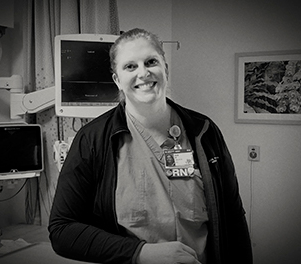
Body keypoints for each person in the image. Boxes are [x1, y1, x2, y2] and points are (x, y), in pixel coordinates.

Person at [48, 28, 253, 264]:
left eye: (151, 62)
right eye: (130, 66)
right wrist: (139, 253)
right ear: (117, 80)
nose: (143, 73)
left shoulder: (204, 132)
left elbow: (233, 216)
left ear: (165, 68)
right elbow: (62, 230)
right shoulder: (92, 140)